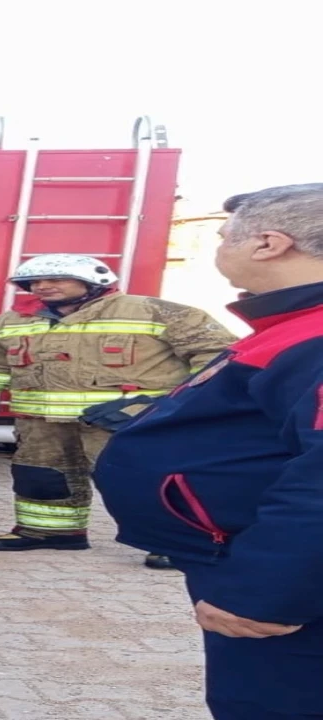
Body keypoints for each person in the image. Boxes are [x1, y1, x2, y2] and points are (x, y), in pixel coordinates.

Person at [93, 183, 323, 720]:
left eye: (224, 237)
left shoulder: (312, 337)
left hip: (283, 592)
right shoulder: (294, 328)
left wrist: (265, 592)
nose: (219, 249)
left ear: (268, 244)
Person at [0, 253, 237, 569]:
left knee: (139, 481)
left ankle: (177, 544)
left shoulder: (157, 312)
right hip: (42, 422)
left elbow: (217, 354)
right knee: (41, 476)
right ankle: (50, 532)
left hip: (125, 419)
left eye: (55, 279)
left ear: (94, 281)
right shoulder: (7, 324)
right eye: (34, 282)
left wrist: (189, 402)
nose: (42, 286)